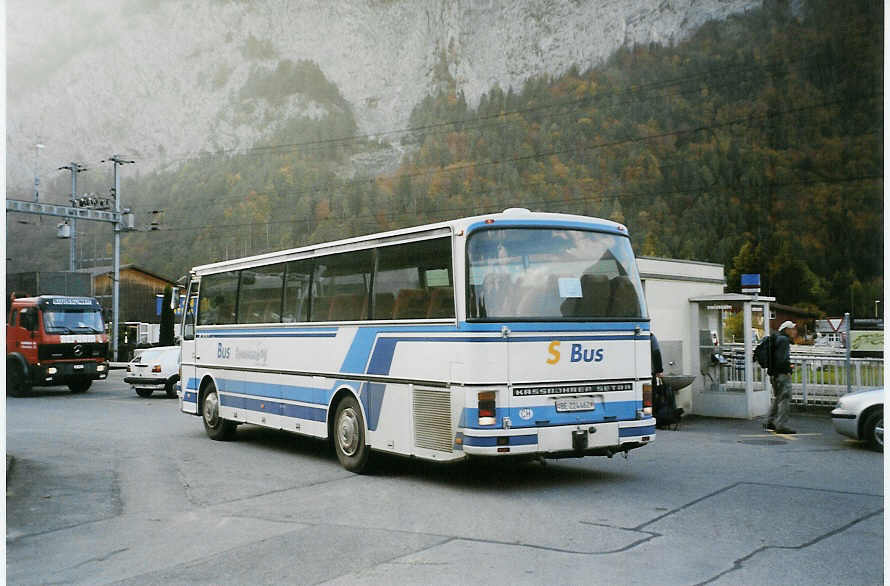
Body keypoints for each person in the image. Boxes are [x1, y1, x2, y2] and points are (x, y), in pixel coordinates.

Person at [766, 320, 797, 434]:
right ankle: (781, 425)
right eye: (793, 329)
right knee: (785, 399)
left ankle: (770, 421)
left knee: (778, 398)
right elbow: (782, 359)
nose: (794, 331)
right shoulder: (784, 341)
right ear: (787, 330)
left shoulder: (776, 339)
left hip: (774, 374)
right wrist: (788, 369)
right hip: (782, 375)